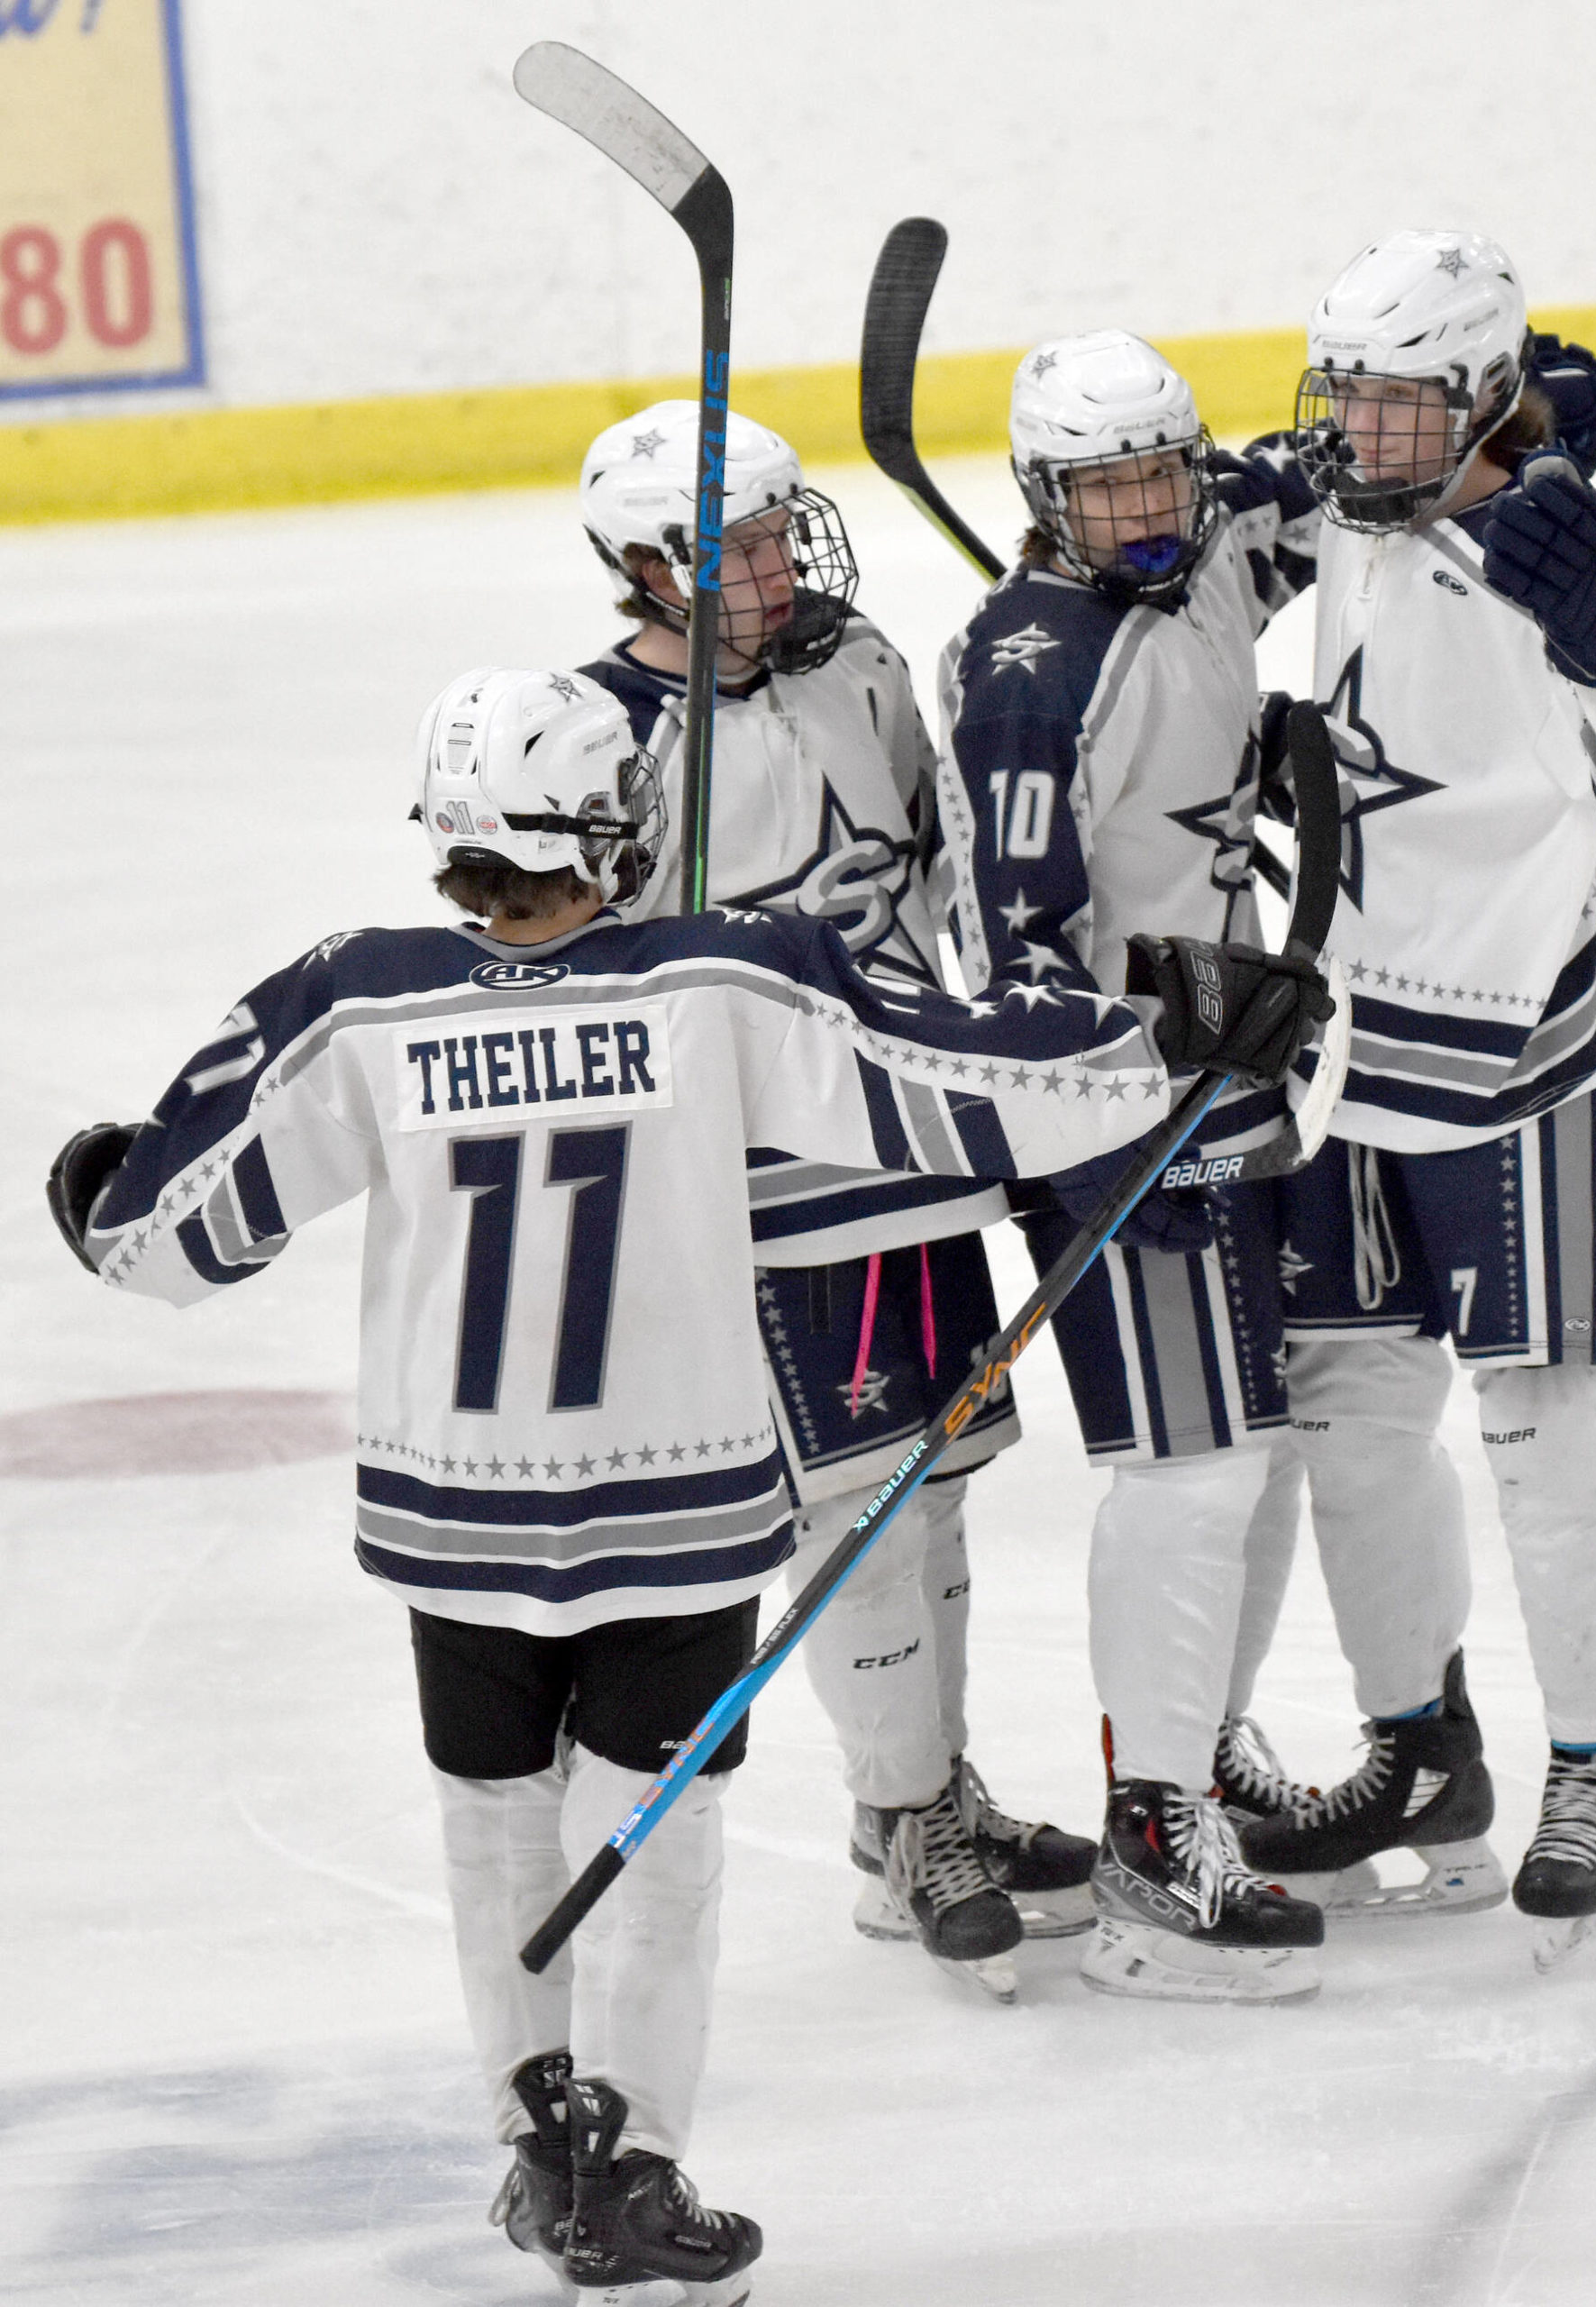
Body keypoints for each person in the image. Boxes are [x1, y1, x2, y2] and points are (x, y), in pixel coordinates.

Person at [46, 667, 1318, 2293]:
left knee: (493, 1827)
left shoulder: (353, 1003)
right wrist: (1164, 1039)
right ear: (621, 825)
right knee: (647, 1838)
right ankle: (635, 2160)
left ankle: (540, 2152)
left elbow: (169, 1241)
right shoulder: (722, 978)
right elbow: (962, 1083)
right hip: (675, 1513)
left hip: (459, 1516)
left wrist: (101, 1195)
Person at [1233, 230, 1596, 1963]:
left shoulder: (1552, 552)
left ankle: (1592, 1764)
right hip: (1358, 1038)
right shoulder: (1361, 501)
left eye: (1391, 406)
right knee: (1346, 1409)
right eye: (1346, 401)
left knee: (1537, 1410)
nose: (1352, 436)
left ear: (1473, 399)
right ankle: (1418, 1748)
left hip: (1535, 1039)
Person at [570, 399, 1096, 1997]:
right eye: (733, 545)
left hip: (908, 1133)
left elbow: (943, 877)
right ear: (649, 568)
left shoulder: (858, 666)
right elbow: (581, 966)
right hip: (764, 1179)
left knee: (928, 1484)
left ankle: (924, 1799)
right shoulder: (608, 737)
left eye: (781, 533)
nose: (774, 564)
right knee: (852, 1503)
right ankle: (904, 1812)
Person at [936, 329, 1337, 2002]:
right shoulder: (1026, 673)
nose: (1148, 510)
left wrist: (1499, 427)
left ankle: (1187, 1759)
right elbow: (1017, 964)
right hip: (1117, 1121)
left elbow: (1325, 492)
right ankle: (1153, 1847)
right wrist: (1173, 1010)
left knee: (1248, 1460)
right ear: (1045, 498)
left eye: (1162, 474)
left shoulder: (1208, 549)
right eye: (1105, 491)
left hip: (1234, 1086)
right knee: (1185, 1471)